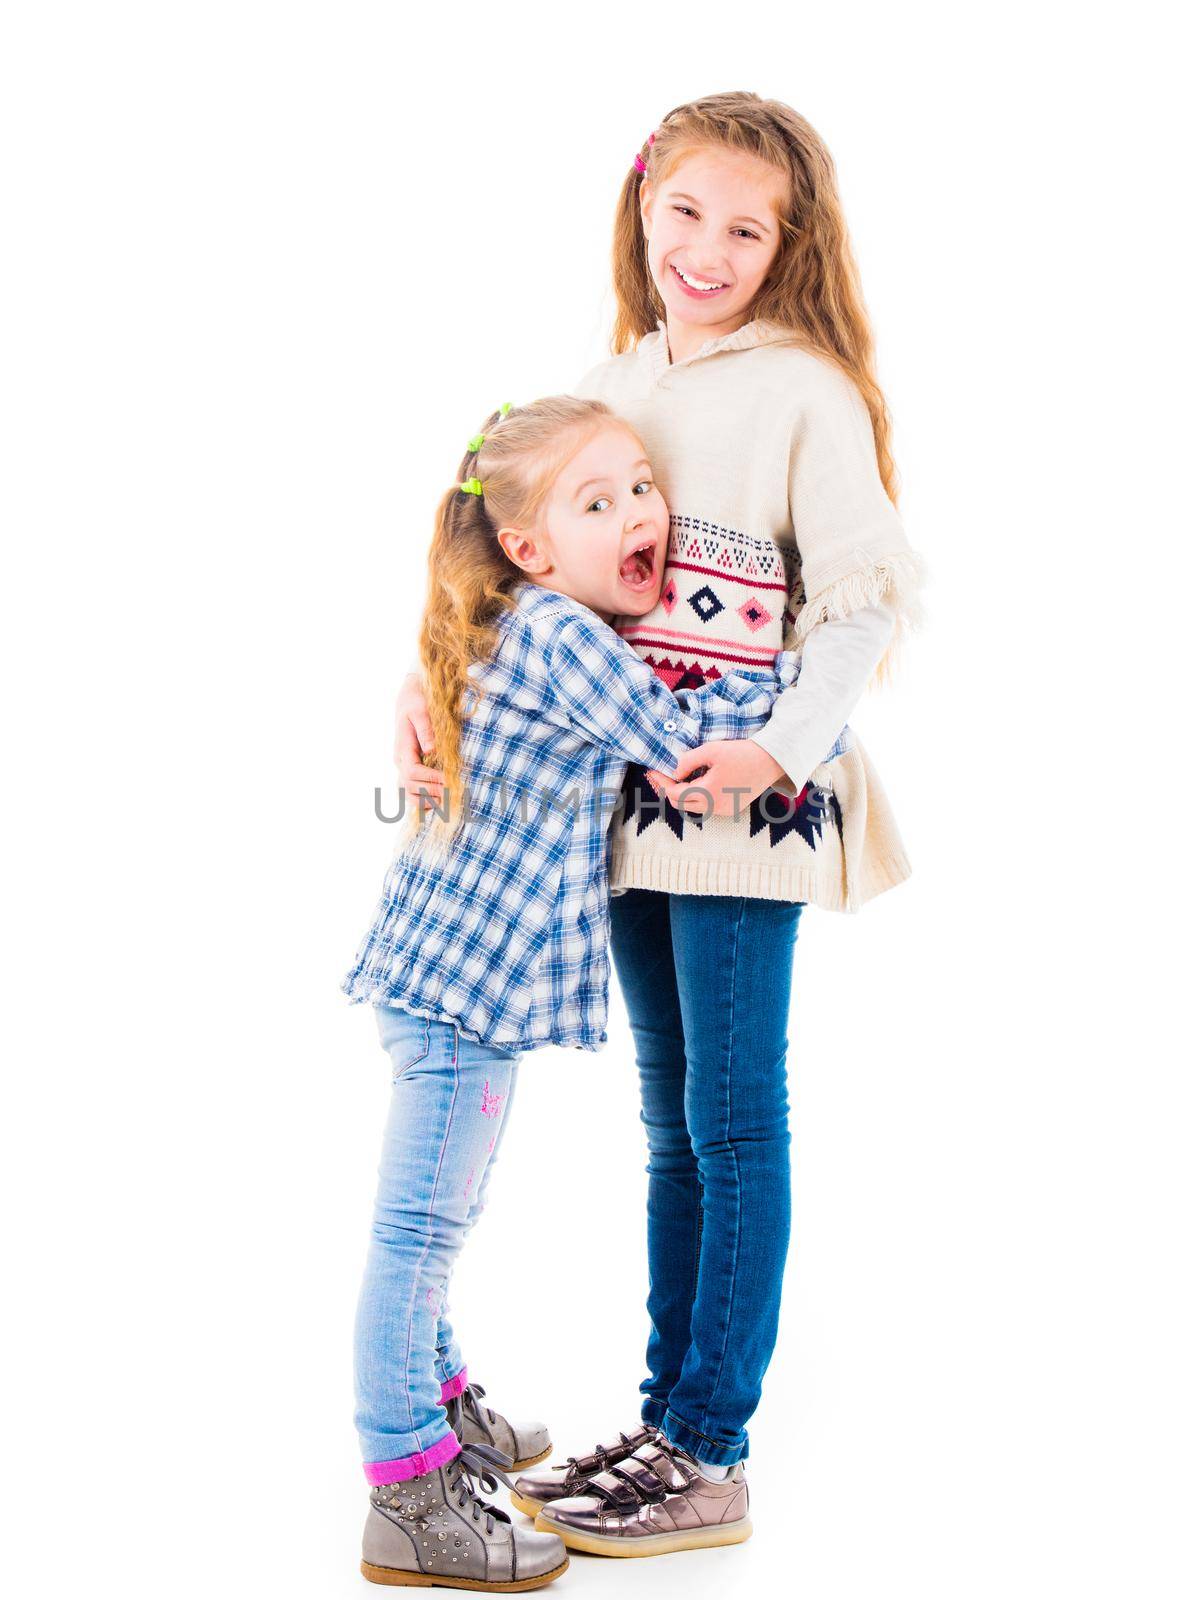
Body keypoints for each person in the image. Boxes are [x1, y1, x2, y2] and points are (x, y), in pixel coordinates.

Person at [393, 92, 924, 1559]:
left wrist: (776, 746)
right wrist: (423, 681)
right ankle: (665, 1418)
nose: (707, 248)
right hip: (625, 794)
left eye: (745, 229)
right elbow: (511, 540)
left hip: (743, 797)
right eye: (684, 212)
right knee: (672, 1120)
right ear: (642, 204)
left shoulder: (802, 392)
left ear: (786, 244)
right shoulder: (619, 374)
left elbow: (862, 598)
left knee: (735, 1116)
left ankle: (710, 1447)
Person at [346, 394, 813, 1587]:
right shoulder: (564, 637)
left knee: (437, 1221)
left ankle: (439, 1402)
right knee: (419, 1231)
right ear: (529, 547)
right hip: (466, 994)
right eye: (597, 502)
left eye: (643, 484)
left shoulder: (502, 616)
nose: (641, 513)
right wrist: (804, 705)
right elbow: (674, 735)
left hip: (439, 972)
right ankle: (405, 1479)